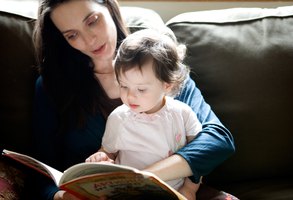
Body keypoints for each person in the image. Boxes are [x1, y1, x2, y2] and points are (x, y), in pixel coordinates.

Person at [31, 0, 235, 199]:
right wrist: (62, 196)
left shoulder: (161, 64)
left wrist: (144, 178)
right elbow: (41, 172)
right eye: (72, 35)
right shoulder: (53, 86)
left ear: (109, 8)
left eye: (92, 21)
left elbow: (217, 140)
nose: (90, 40)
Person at [85, 28, 202, 199]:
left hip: (173, 192)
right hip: (129, 193)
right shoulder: (119, 118)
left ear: (167, 85)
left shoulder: (183, 114)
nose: (130, 96)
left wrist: (190, 190)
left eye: (141, 89)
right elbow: (109, 152)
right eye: (124, 86)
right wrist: (102, 156)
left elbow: (197, 157)